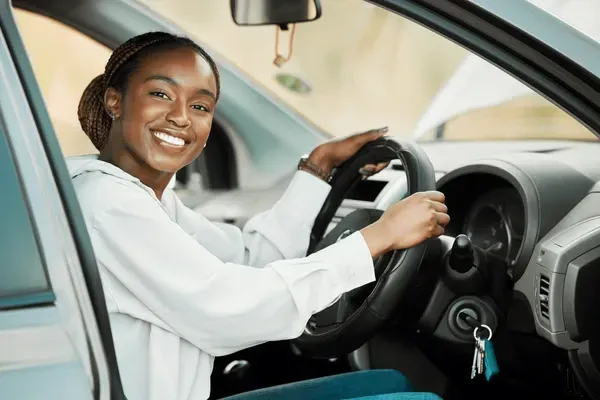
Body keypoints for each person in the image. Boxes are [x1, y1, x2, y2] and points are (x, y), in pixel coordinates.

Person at [68, 31, 449, 400]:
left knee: (391, 384)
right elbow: (230, 311)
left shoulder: (143, 198)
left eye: (199, 106)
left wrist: (317, 169)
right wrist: (378, 239)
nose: (181, 117)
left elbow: (251, 262)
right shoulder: (109, 206)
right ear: (114, 101)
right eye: (160, 94)